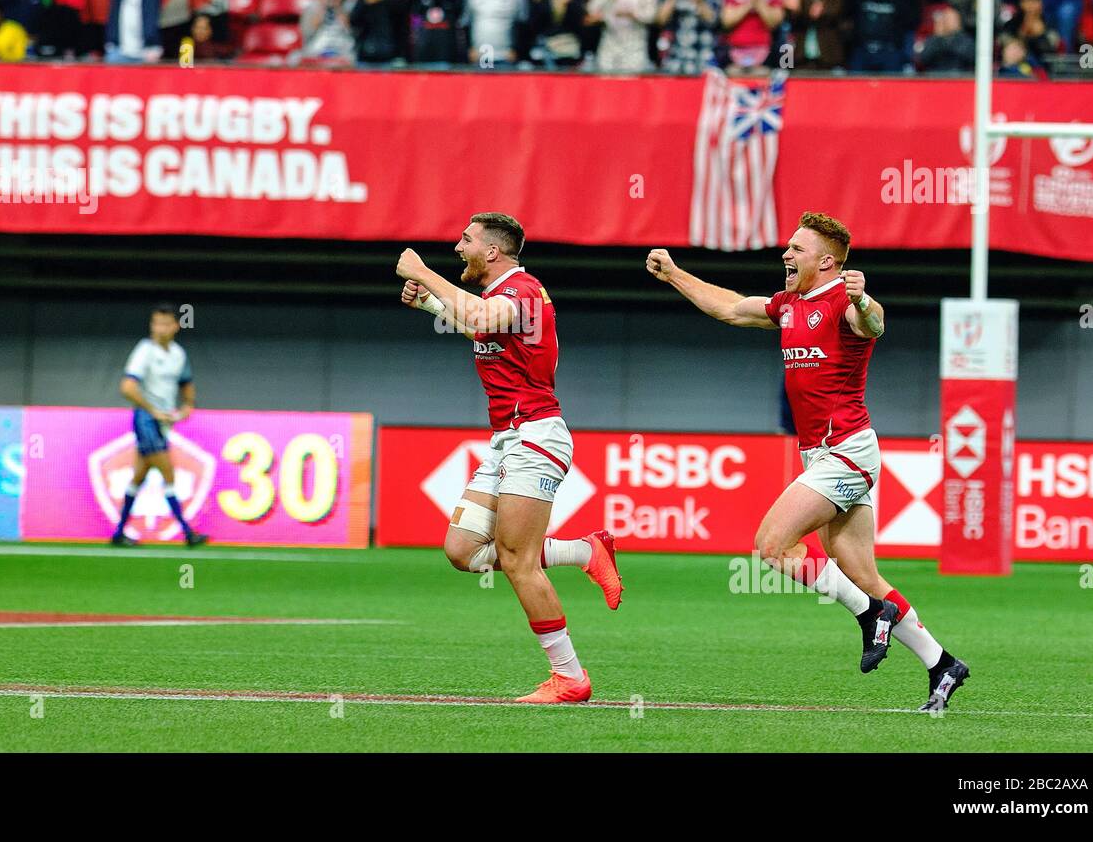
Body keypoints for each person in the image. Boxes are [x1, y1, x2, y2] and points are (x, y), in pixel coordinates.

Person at [646, 213, 970, 713]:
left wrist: (863, 298)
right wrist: (674, 274)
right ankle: (942, 664)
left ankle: (869, 617)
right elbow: (731, 308)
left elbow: (874, 322)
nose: (785, 255)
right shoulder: (790, 303)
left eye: (796, 249)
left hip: (845, 450)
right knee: (860, 571)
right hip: (823, 453)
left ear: (826, 261)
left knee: (772, 545)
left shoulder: (845, 300)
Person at [396, 214, 624, 704]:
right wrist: (431, 302)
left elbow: (480, 318)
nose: (458, 247)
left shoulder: (522, 290)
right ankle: (585, 551)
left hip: (535, 437)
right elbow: (479, 329)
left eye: (466, 240)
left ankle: (570, 678)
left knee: (520, 561)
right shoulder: (508, 298)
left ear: (492, 252)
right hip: (507, 439)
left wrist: (422, 271)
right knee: (462, 550)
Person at [111, 304, 209, 548]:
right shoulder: (144, 351)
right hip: (146, 419)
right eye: (155, 323)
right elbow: (127, 387)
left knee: (139, 476)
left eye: (165, 324)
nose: (159, 329)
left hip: (163, 422)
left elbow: (186, 384)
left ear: (176, 326)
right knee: (168, 474)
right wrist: (152, 409)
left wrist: (187, 406)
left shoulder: (178, 354)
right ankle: (188, 533)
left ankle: (119, 534)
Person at [658, 0, 724, 73]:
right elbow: (661, 20)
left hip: (703, 55)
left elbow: (715, 21)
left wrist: (700, 2)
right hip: (676, 56)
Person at [914, 2, 974, 71]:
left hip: (960, 77)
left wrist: (956, 36)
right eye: (947, 18)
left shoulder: (966, 40)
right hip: (936, 77)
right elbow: (923, 59)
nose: (950, 22)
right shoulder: (933, 39)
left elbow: (970, 57)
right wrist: (938, 37)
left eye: (953, 19)